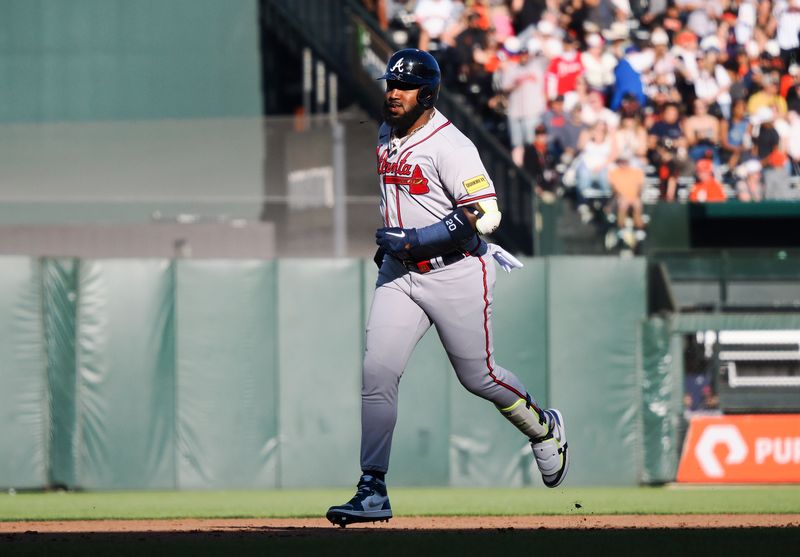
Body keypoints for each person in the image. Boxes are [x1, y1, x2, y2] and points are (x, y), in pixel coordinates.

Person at [326, 49, 569, 527]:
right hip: (400, 273)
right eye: (390, 84)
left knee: (479, 377)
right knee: (377, 373)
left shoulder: (451, 145)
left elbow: (486, 214)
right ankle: (372, 488)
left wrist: (417, 237)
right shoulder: (385, 132)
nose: (392, 93)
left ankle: (544, 428)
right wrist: (402, 243)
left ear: (429, 94)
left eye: (403, 86)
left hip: (455, 271)